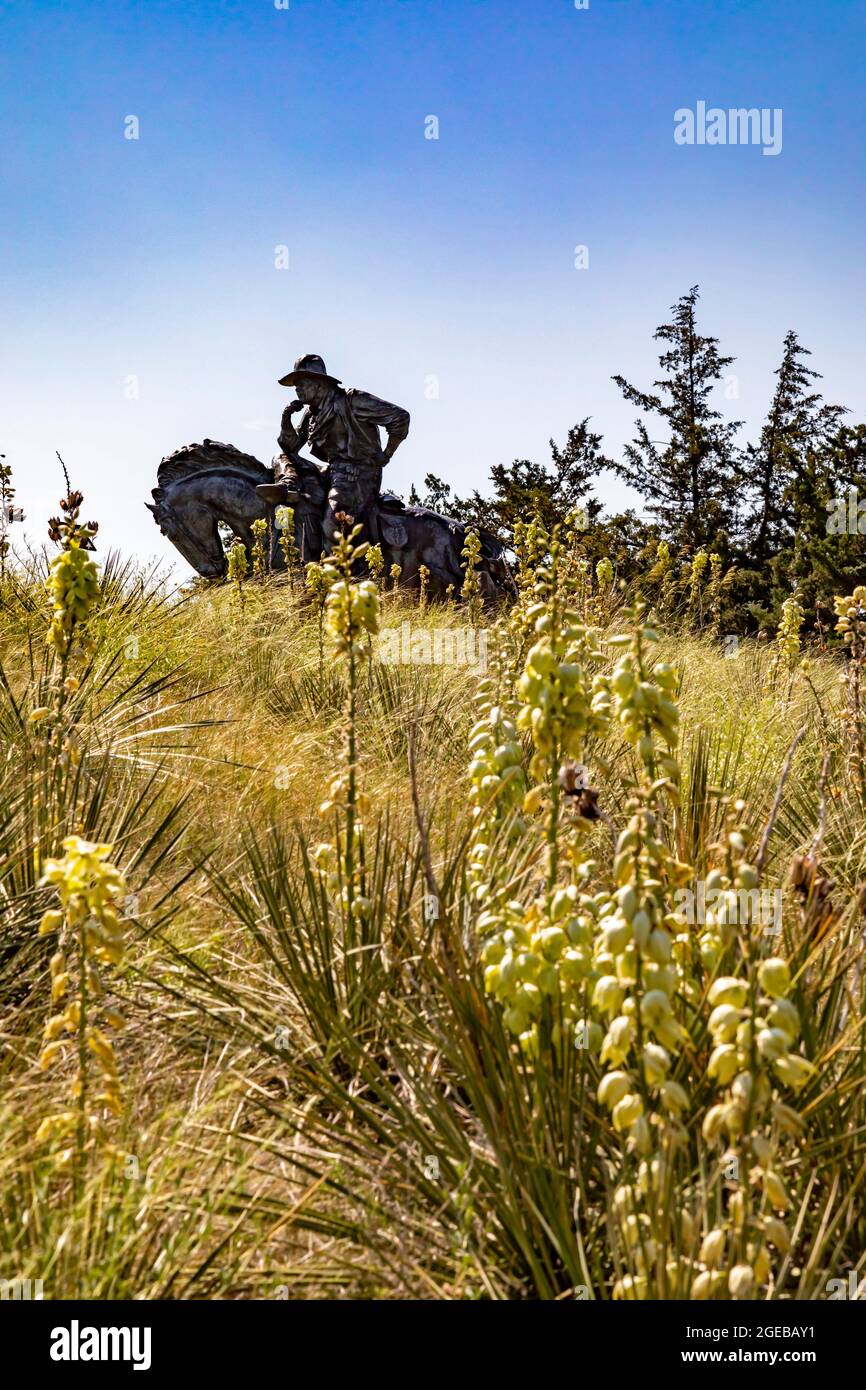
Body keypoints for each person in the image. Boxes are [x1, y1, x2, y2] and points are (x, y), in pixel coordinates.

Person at [256, 354, 410, 548]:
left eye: (301, 383)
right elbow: (291, 448)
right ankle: (290, 485)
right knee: (280, 457)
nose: (297, 389)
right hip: (333, 471)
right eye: (296, 385)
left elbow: (400, 417)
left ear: (319, 383)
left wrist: (386, 454)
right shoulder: (311, 413)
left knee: (333, 524)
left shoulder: (352, 400)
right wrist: (286, 418)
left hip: (359, 474)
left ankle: (353, 571)